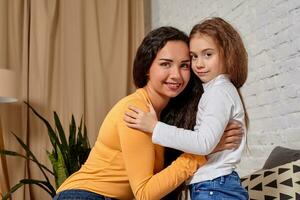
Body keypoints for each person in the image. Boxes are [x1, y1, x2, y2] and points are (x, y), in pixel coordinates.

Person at [53, 26, 242, 200]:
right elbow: (145, 193)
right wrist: (203, 153)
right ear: (147, 68)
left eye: (184, 65)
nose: (176, 74)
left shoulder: (164, 118)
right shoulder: (136, 112)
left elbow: (166, 181)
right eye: (165, 64)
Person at [124, 17, 249, 200]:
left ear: (228, 54)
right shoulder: (217, 91)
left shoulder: (218, 93)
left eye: (208, 54)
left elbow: (203, 143)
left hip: (215, 187)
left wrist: (155, 127)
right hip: (215, 186)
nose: (198, 64)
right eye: (194, 56)